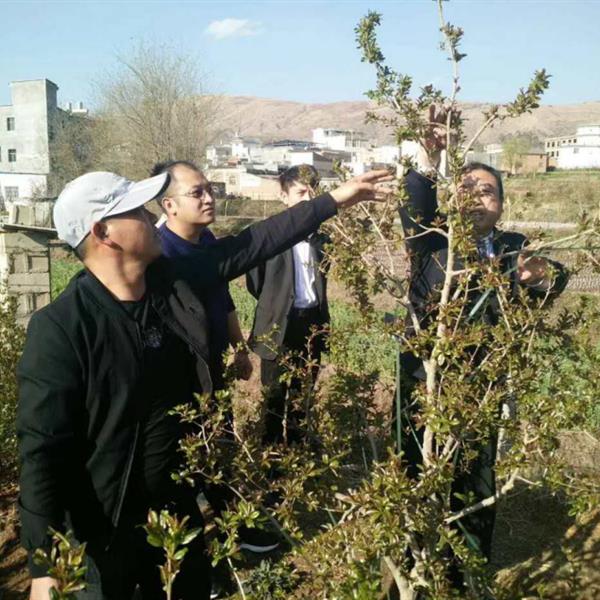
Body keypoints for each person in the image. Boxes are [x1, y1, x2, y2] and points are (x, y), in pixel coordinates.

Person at [17, 168, 392, 600]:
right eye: (136, 211)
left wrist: (334, 200)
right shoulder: (62, 328)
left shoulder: (171, 283)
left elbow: (253, 242)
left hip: (176, 518)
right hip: (104, 531)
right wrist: (43, 565)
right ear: (103, 232)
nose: (151, 216)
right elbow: (42, 449)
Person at [396, 118, 568, 584]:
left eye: (487, 191)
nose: (476, 197)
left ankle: (465, 569)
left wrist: (542, 274)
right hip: (424, 378)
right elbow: (415, 200)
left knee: (474, 474)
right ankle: (413, 561)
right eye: (466, 189)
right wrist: (429, 156)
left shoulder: (513, 248)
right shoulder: (432, 237)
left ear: (501, 205)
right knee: (416, 466)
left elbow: (557, 278)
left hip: (482, 383)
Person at [246, 165, 330, 445]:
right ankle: (270, 455)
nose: (308, 199)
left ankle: (297, 450)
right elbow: (255, 283)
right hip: (278, 324)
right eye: (301, 192)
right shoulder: (267, 237)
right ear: (284, 197)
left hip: (312, 324)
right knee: (274, 395)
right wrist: (277, 301)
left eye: (313, 192)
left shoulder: (322, 240)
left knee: (303, 394)